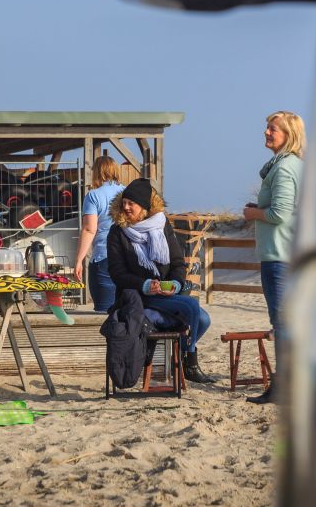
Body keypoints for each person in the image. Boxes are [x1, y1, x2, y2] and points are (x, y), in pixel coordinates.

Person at [107, 178, 214, 384]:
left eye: (132, 203)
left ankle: (181, 357)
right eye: (125, 202)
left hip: (166, 294)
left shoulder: (162, 226)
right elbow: (117, 273)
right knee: (192, 305)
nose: (126, 207)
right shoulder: (117, 232)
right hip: (137, 296)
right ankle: (189, 361)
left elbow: (177, 263)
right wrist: (145, 285)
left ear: (145, 207)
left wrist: (174, 284)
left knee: (204, 319)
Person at [242, 110, 305, 405]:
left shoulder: (284, 168)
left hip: (279, 255)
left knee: (282, 322)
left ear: (288, 135)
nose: (266, 132)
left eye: (272, 129)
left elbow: (280, 213)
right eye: (266, 127)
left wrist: (254, 213)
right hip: (287, 252)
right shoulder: (289, 166)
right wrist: (259, 207)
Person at [74, 155, 125, 312]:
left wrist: (79, 260)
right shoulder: (127, 193)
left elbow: (90, 229)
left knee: (104, 314)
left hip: (104, 258)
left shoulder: (93, 196)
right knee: (128, 312)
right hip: (127, 259)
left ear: (97, 172)